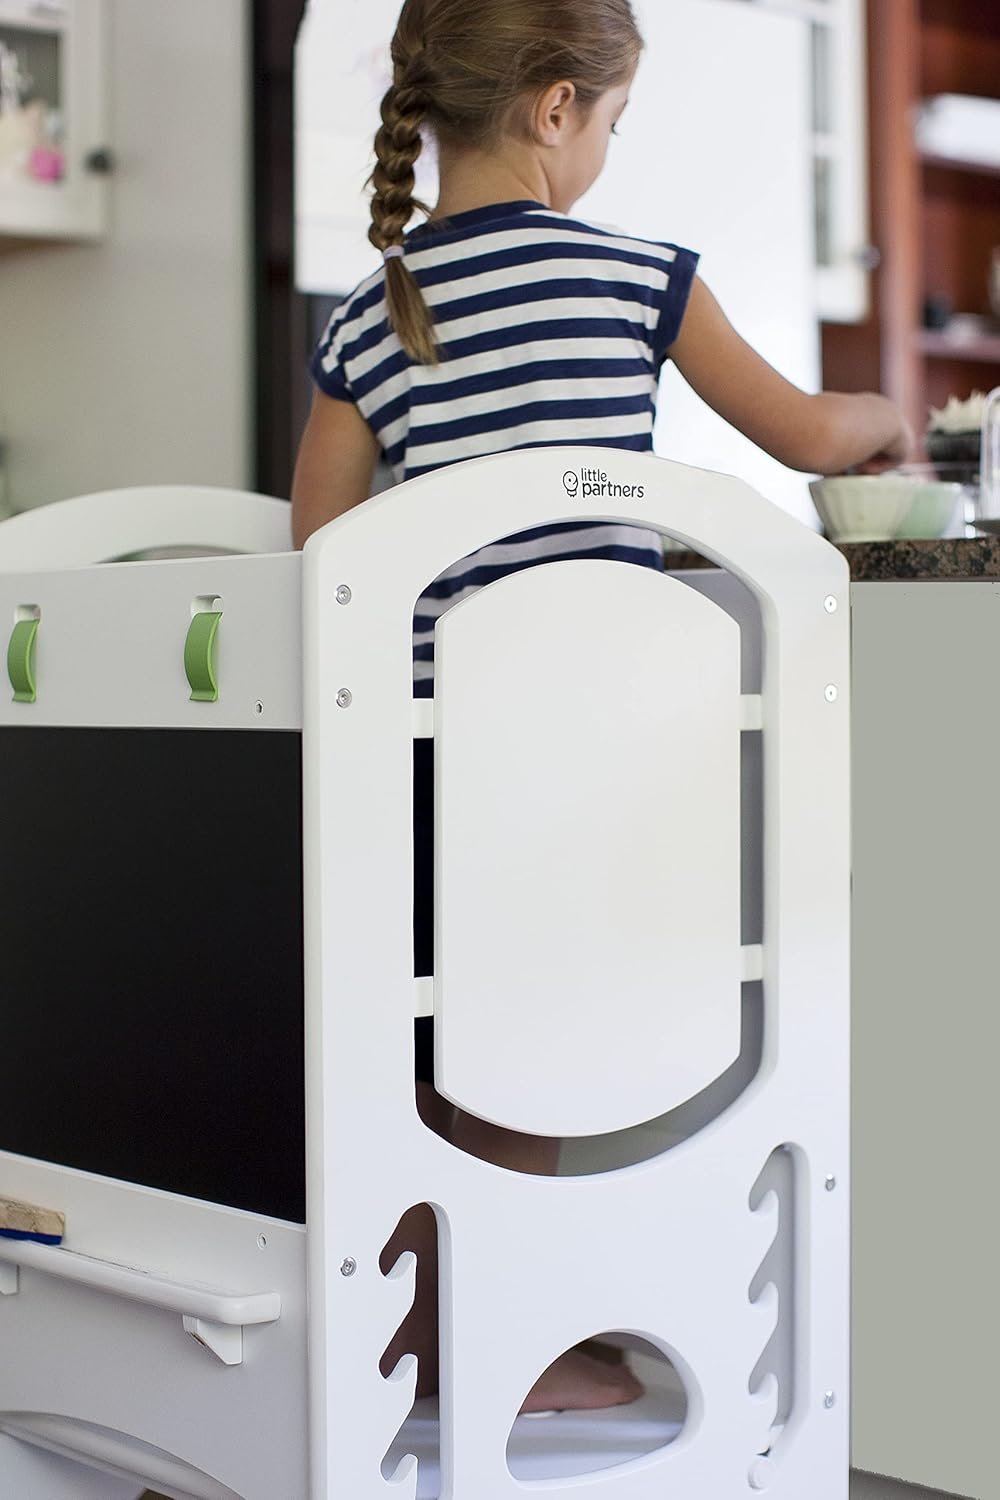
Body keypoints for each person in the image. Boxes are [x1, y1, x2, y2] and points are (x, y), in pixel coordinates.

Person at [291, 0, 912, 1416]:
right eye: (617, 120)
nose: (611, 148)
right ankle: (488, 1345)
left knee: (438, 1054)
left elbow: (320, 549)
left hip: (417, 758)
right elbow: (809, 435)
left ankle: (420, 1325)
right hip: (581, 755)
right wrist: (889, 420)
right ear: (557, 108)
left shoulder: (371, 314)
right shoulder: (640, 276)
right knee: (539, 1045)